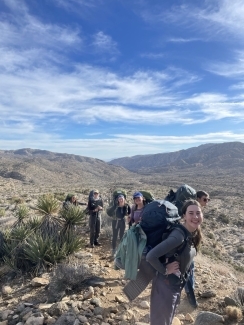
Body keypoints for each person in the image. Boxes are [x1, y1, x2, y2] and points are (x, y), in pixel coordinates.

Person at [146, 200, 203, 325]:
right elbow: (151, 256)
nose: (195, 217)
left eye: (198, 213)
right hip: (164, 287)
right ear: (184, 216)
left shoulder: (191, 234)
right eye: (191, 213)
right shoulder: (178, 236)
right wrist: (165, 270)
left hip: (174, 286)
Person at [184, 190, 210, 307]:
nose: (207, 202)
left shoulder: (195, 212)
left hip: (191, 246)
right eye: (205, 199)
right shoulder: (192, 211)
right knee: (187, 269)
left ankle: (190, 291)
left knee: (191, 268)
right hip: (186, 246)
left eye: (208, 200)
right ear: (198, 199)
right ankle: (190, 295)